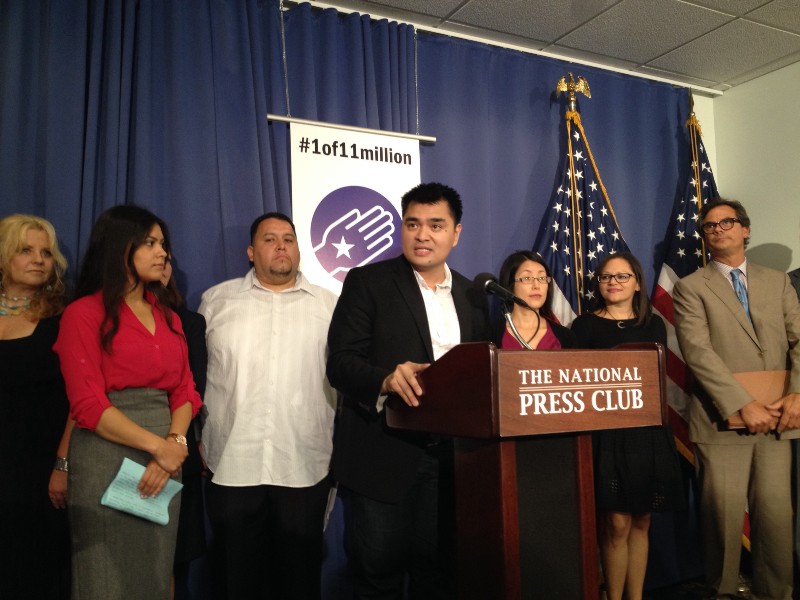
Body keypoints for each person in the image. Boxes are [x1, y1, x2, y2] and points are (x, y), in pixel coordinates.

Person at [327, 182, 489, 598]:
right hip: (384, 455)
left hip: (452, 461)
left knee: (436, 576)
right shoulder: (368, 282)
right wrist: (384, 379)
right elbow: (340, 363)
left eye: (436, 225)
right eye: (413, 224)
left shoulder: (473, 295)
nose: (422, 235)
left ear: (456, 233)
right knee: (376, 577)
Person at [54, 205, 202, 600]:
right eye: (150, 243)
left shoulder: (169, 317)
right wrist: (160, 448)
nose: (163, 253)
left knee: (154, 575)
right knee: (107, 580)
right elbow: (87, 404)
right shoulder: (83, 314)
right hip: (107, 455)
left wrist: (174, 443)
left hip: (166, 460)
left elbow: (185, 391)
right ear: (121, 248)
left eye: (163, 244)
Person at [198, 212, 338, 600]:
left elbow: (347, 380)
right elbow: (193, 375)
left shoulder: (330, 306)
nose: (281, 246)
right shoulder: (216, 301)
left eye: (288, 239)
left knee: (299, 583)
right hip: (232, 463)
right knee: (236, 583)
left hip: (304, 464)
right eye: (269, 239)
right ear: (250, 251)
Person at [673, 199, 800, 599]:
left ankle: (776, 593)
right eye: (709, 226)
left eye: (727, 222)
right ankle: (725, 592)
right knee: (724, 525)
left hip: (779, 417)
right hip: (720, 421)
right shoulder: (690, 287)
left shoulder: (777, 282)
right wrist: (742, 403)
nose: (718, 229)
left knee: (776, 521)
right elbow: (698, 352)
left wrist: (798, 394)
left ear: (744, 229)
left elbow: (799, 340)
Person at [571, 252, 685, 600]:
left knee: (642, 519)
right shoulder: (584, 326)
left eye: (622, 276)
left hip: (648, 431)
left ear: (637, 283)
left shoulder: (654, 325)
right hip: (608, 434)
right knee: (617, 522)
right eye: (606, 277)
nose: (613, 283)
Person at [0, 214, 71, 599]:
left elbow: (80, 400)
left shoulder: (65, 316)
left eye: (45, 253)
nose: (39, 260)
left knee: (35, 572)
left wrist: (62, 464)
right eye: (26, 250)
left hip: (39, 471)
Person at [160, 257, 208, 596]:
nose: (161, 261)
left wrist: (171, 442)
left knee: (172, 563)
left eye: (166, 256)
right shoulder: (100, 315)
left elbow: (194, 390)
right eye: (149, 247)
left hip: (176, 457)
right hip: (119, 453)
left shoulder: (189, 323)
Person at [492, 249, 575, 349]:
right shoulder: (491, 336)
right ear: (510, 285)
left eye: (542, 278)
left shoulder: (566, 337)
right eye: (527, 278)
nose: (536, 286)